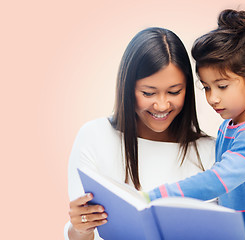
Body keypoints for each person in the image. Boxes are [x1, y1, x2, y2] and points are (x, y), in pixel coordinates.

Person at [146, 9, 245, 240]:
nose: (212, 98)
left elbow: (218, 180)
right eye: (206, 87)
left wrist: (156, 196)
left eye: (222, 86)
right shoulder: (230, 126)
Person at [64, 27, 216, 240]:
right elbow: (83, 233)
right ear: (127, 88)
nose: (162, 105)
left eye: (174, 92)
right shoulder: (94, 137)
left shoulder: (211, 151)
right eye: (148, 93)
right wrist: (80, 228)